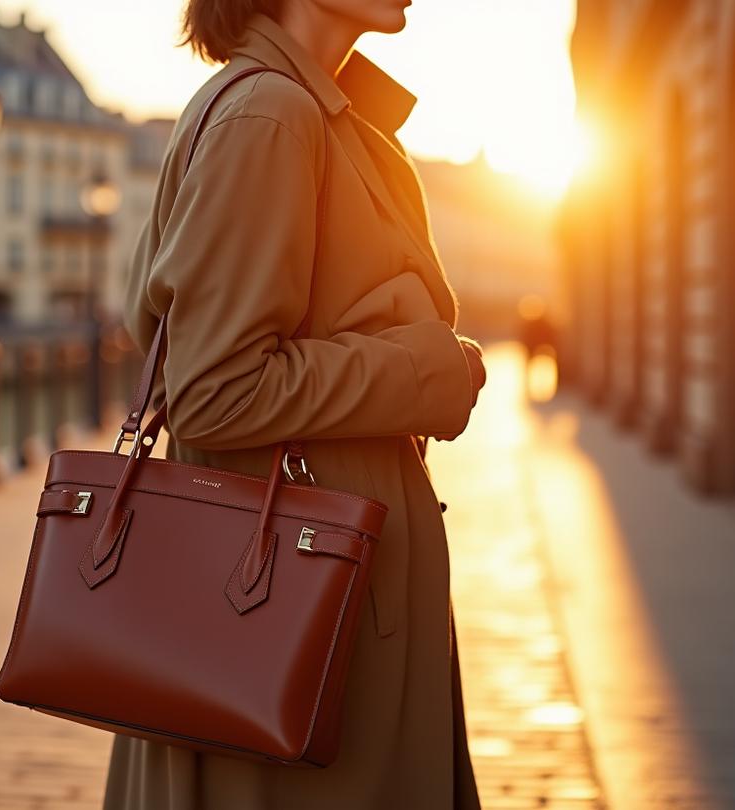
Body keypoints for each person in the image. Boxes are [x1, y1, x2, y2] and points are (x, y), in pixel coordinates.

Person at [111, 1, 487, 808]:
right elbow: (212, 390)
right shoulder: (270, 116)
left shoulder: (304, 110)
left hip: (313, 605)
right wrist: (426, 373)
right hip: (296, 618)